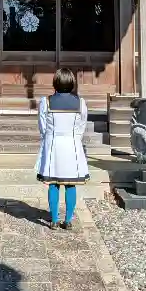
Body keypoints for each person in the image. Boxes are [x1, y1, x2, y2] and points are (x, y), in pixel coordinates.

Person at [34, 67, 90, 229]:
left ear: (55, 83)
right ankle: (68, 220)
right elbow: (82, 125)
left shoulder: (46, 102)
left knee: (54, 183)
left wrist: (49, 137)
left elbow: (42, 127)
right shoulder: (80, 102)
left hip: (53, 144)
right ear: (72, 83)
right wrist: (75, 138)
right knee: (71, 183)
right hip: (72, 144)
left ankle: (53, 220)